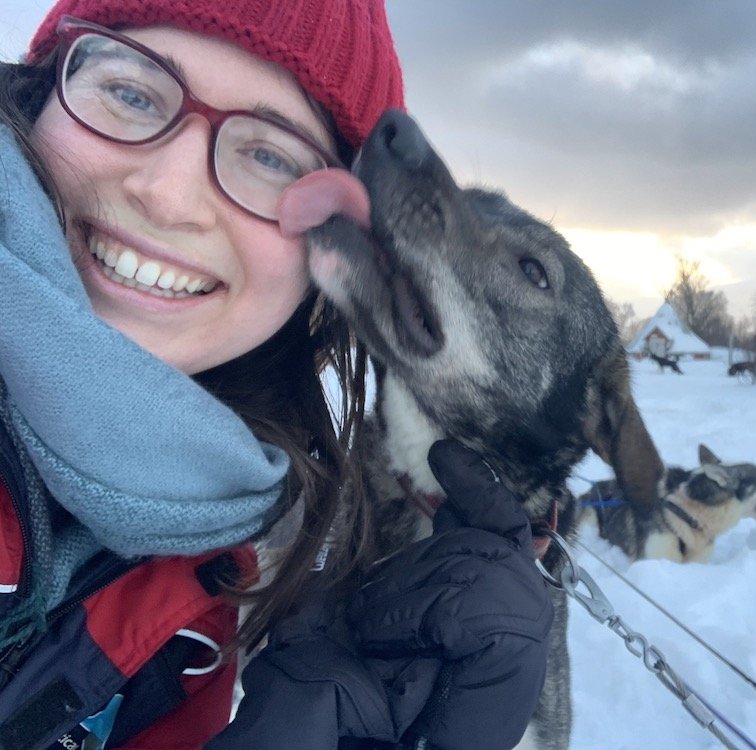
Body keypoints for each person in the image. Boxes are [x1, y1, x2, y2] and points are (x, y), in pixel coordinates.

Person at [0, 1, 552, 748]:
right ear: (37, 94)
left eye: (271, 156)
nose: (168, 194)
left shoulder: (214, 570)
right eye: (130, 93)